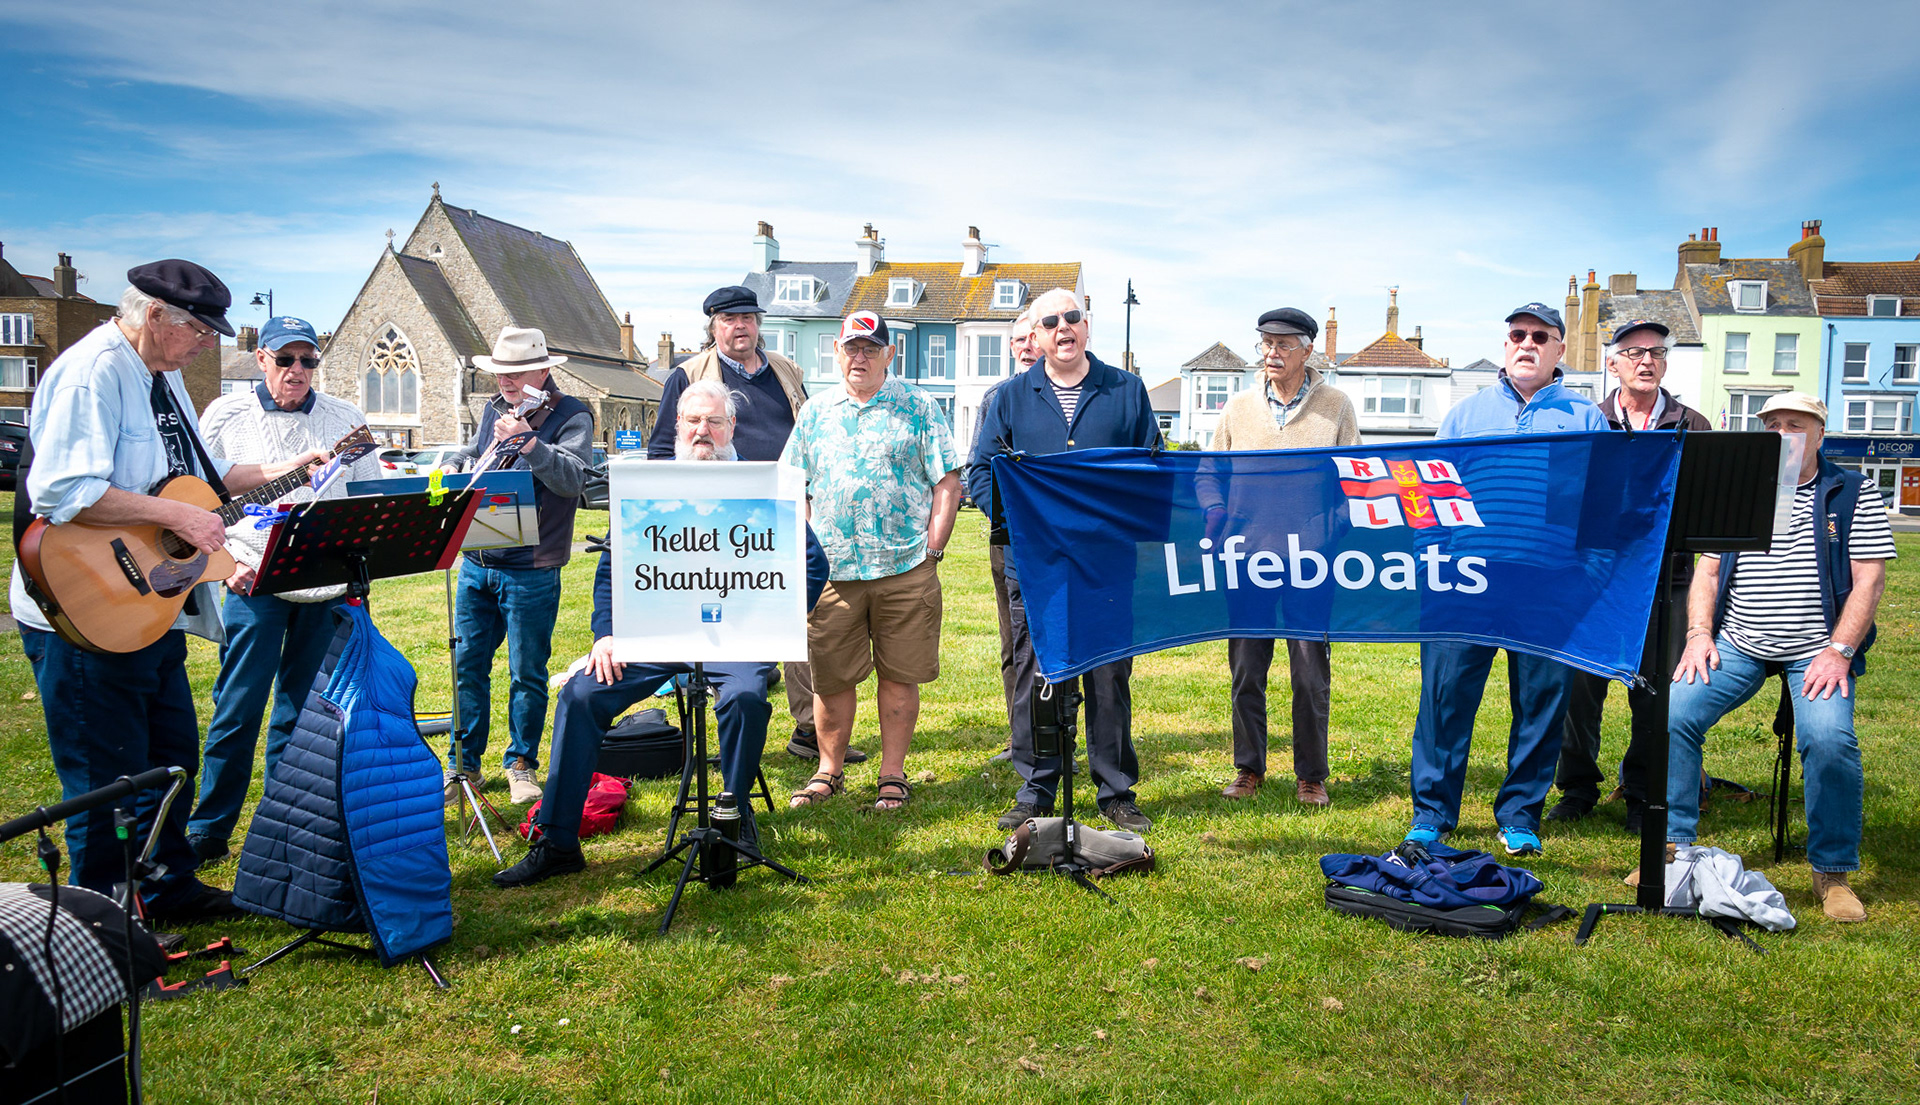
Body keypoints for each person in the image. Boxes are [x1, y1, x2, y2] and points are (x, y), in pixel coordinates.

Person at [10, 260, 325, 919]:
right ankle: (102, 930)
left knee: (172, 756)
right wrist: (176, 517)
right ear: (153, 316)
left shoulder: (166, 374)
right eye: (197, 330)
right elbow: (61, 491)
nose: (207, 343)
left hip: (152, 608)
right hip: (85, 607)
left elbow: (192, 485)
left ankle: (166, 887)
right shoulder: (93, 371)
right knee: (106, 785)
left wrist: (228, 517)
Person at [494, 380, 830, 886]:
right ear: (677, 427)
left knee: (744, 696)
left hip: (732, 637)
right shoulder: (647, 485)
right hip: (652, 633)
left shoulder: (765, 484)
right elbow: (612, 567)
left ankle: (733, 822)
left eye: (714, 422)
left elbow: (812, 562)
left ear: (731, 428)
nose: (703, 432)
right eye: (693, 421)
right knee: (582, 694)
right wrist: (606, 634)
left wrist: (773, 625)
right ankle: (557, 839)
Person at [1660, 393, 1893, 922]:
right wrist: (1700, 634)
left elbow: (1869, 582)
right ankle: (1673, 850)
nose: (1785, 433)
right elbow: (1708, 571)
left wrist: (1839, 651)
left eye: (1797, 424)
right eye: (1774, 425)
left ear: (1820, 434)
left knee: (1829, 740)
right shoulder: (1742, 487)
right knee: (1674, 714)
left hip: (1818, 648)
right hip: (1739, 641)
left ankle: (1832, 871)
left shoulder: (1852, 492)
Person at [1404, 302, 1609, 857]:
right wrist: (1434, 566)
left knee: (1542, 704)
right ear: (1505, 344)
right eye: (1517, 334)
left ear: (1559, 350)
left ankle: (1520, 814)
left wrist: (1585, 577)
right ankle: (1432, 814)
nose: (1527, 343)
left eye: (1541, 336)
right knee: (1445, 699)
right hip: (1467, 580)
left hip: (1547, 586)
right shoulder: (1465, 415)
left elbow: (1599, 509)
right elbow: (1429, 499)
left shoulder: (1585, 418)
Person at [186, 315, 383, 862]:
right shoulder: (225, 415)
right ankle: (209, 828)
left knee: (302, 713)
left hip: (323, 582)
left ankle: (287, 825)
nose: (298, 370)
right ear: (260, 359)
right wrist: (223, 564)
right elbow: (200, 499)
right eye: (286, 359)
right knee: (238, 707)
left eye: (309, 360)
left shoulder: (345, 418)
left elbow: (370, 496)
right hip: (251, 579)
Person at [969, 288, 1163, 833]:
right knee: (1037, 672)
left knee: (1108, 675)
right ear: (1035, 336)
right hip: (1035, 564)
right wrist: (1023, 521)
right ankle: (1036, 786)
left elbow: (1152, 471)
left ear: (1087, 325)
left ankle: (1116, 792)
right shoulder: (1010, 396)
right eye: (1050, 321)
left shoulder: (1126, 392)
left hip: (1106, 563)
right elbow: (981, 472)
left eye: (1072, 317)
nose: (1063, 328)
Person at [645, 286, 857, 764]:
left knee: (799, 613)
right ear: (713, 327)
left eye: (747, 317)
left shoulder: (785, 370)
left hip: (782, 507)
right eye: (728, 319)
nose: (739, 326)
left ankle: (808, 729)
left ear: (758, 323)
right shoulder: (687, 376)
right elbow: (663, 450)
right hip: (717, 517)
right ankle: (724, 727)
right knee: (724, 612)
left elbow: (806, 433)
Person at [780, 311, 963, 811]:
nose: (859, 357)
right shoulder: (815, 411)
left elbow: (947, 479)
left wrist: (934, 548)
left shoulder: (919, 406)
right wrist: (807, 546)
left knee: (899, 674)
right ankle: (828, 771)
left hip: (905, 566)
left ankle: (892, 775)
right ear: (837, 352)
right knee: (831, 676)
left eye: (870, 348)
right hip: (833, 573)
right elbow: (793, 485)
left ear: (889, 354)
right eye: (851, 348)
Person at [1547, 318, 1712, 829]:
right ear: (1612, 363)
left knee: (1657, 692)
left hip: (1669, 580)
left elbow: (1707, 515)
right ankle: (1576, 788)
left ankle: (1642, 793)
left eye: (1657, 353)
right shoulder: (1586, 421)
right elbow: (1563, 502)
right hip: (1593, 581)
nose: (1646, 361)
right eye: (1634, 352)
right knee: (1579, 687)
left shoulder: (1693, 424)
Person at [1200, 307, 1361, 806]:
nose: (1271, 352)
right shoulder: (1237, 408)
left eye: (1283, 344)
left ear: (1308, 350)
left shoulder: (1336, 406)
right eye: (1265, 343)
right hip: (1247, 561)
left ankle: (1311, 775)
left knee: (1310, 673)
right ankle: (1248, 768)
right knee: (1247, 670)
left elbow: (1355, 481)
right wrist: (1216, 509)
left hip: (1312, 564)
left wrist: (1325, 535)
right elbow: (1209, 470)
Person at [440, 327, 594, 804]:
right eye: (499, 373)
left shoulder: (574, 414)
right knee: (467, 666)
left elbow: (573, 480)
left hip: (532, 565)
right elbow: (478, 454)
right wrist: (453, 461)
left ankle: (521, 765)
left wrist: (531, 443)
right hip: (476, 560)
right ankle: (464, 766)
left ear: (544, 370)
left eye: (516, 372)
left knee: (526, 672)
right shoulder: (493, 409)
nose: (505, 382)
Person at [985, 307, 1043, 764]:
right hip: (1011, 541)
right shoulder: (996, 398)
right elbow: (979, 468)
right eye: (1018, 340)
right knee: (1016, 643)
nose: (1026, 346)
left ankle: (1062, 735)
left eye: (1032, 338)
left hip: (1066, 542)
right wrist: (1007, 522)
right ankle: (1020, 736)